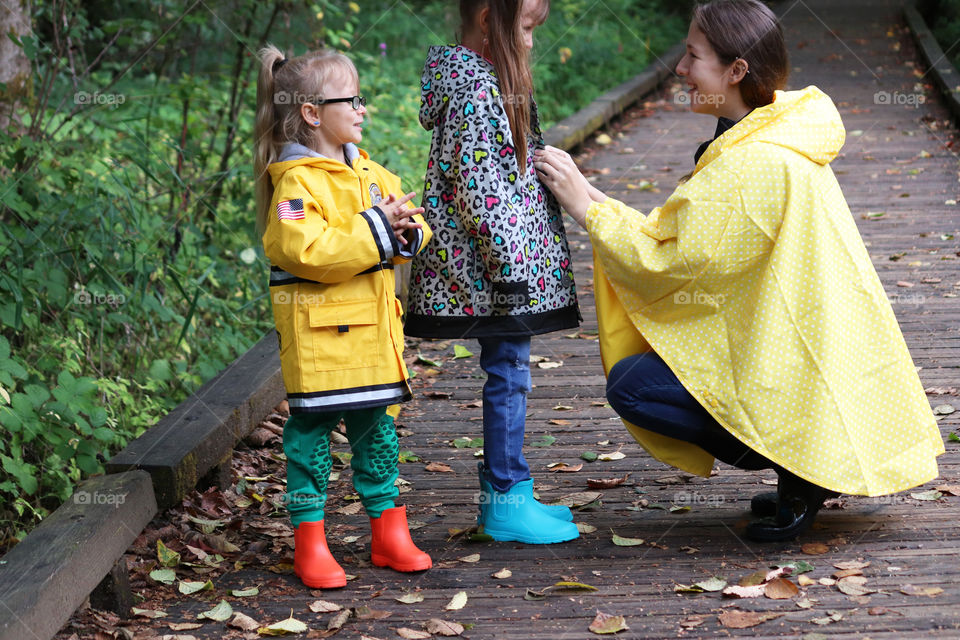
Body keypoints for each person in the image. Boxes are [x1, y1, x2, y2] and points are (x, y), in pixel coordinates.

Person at [534, 0, 944, 542]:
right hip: (801, 349)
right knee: (647, 380)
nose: (680, 69)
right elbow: (682, 235)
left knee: (633, 387)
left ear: (735, 71)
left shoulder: (753, 159)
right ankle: (802, 464)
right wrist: (586, 191)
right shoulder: (769, 132)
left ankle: (799, 467)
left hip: (787, 360)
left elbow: (673, 261)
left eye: (693, 56)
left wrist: (587, 210)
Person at [254, 45, 434, 588]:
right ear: (312, 113)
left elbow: (408, 222)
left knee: (376, 431)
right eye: (351, 99)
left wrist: (407, 233)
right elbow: (309, 251)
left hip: (374, 339)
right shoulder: (294, 183)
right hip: (321, 343)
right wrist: (377, 226)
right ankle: (310, 539)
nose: (363, 109)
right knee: (310, 434)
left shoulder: (372, 173)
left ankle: (387, 529)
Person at [404, 0, 581, 544]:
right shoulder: (478, 90)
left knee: (510, 372)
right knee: (509, 376)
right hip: (492, 276)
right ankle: (505, 499)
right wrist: (511, 271)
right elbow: (482, 194)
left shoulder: (475, 82)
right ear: (489, 20)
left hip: (487, 270)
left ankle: (512, 492)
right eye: (525, 28)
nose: (530, 42)